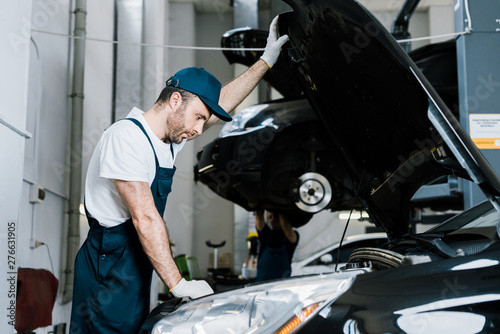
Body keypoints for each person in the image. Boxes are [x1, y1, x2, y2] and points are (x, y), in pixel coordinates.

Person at [69, 16, 289, 334]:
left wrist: (265, 61)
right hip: (108, 267)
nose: (199, 130)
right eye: (198, 117)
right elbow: (145, 218)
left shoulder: (170, 140)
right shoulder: (127, 138)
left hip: (133, 264)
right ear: (175, 101)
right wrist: (178, 284)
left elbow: (221, 101)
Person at [255, 210, 299, 282]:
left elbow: (288, 230)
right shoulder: (266, 234)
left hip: (281, 286)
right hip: (262, 285)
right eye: (270, 217)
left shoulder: (292, 235)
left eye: (276, 216)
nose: (273, 219)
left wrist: (280, 210)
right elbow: (259, 218)